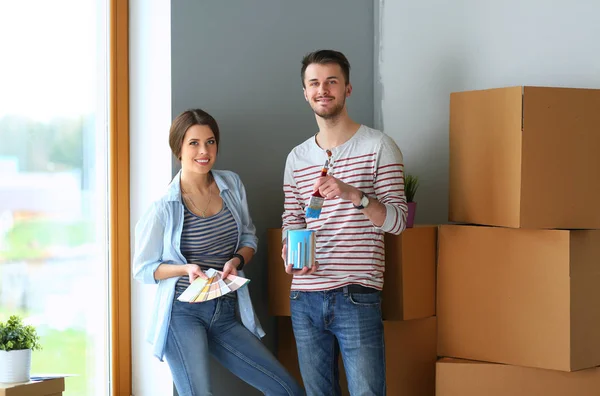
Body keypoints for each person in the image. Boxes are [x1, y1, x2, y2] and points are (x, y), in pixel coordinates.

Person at [133, 109, 304, 396]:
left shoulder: (231, 185)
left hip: (224, 311)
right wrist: (184, 269)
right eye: (194, 143)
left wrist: (237, 260)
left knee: (286, 389)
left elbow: (249, 237)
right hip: (183, 313)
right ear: (178, 148)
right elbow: (143, 268)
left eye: (210, 142)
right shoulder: (165, 206)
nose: (204, 151)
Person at [281, 50, 408, 395]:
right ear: (305, 93)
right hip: (304, 296)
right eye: (315, 83)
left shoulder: (379, 146)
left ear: (348, 89)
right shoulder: (297, 157)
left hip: (356, 293)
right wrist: (287, 251)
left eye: (331, 82)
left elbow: (398, 222)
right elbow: (292, 217)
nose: (323, 90)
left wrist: (356, 195)